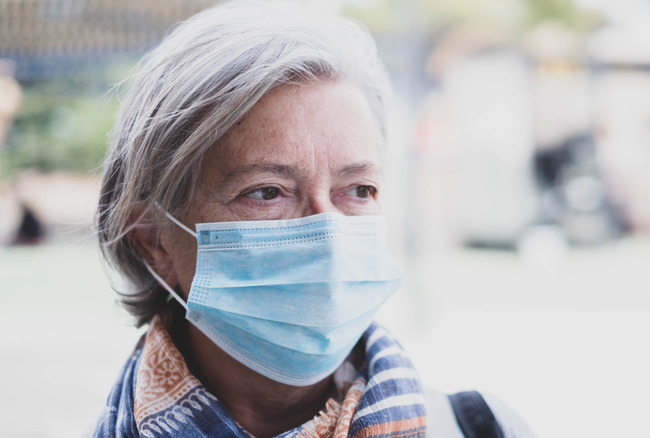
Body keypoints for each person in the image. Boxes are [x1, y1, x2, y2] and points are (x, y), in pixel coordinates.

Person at [92, 2, 536, 437]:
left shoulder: (483, 428)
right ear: (152, 239)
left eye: (359, 189)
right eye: (267, 193)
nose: (331, 234)